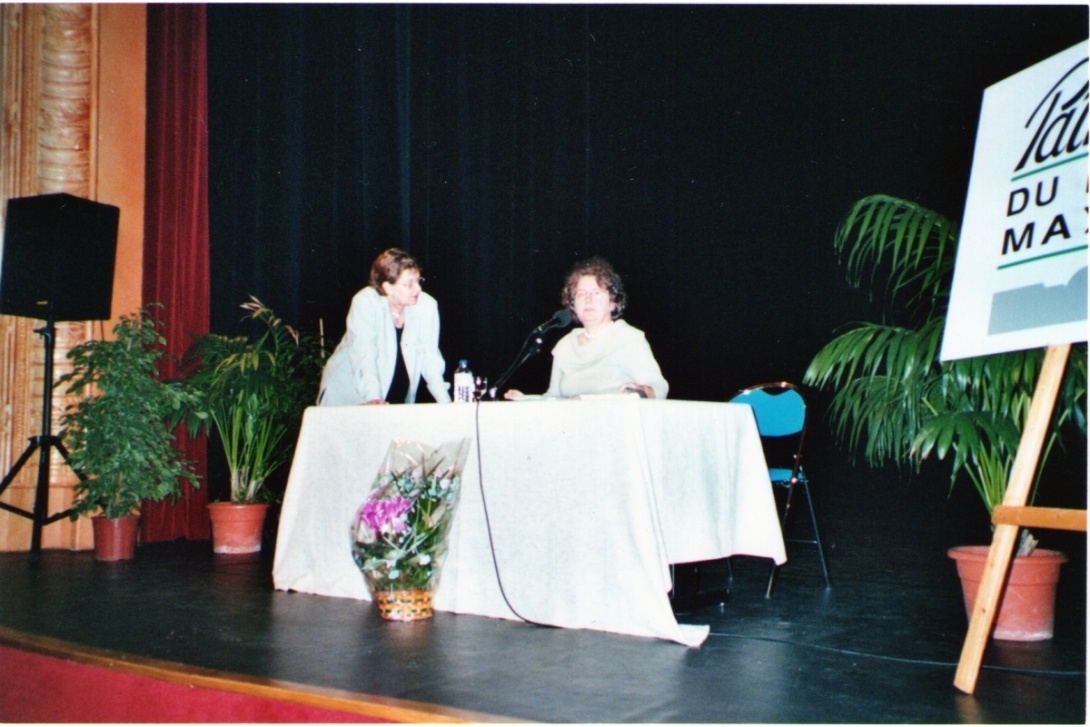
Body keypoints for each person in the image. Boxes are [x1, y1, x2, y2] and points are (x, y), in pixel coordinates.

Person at [506, 256, 668, 400]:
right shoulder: (565, 345)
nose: (588, 300)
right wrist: (527, 400)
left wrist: (644, 391)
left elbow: (658, 386)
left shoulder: (627, 338)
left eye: (596, 293)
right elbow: (554, 399)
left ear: (612, 302)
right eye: (581, 294)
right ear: (573, 304)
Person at [318, 248, 451, 406]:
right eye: (409, 284)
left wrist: (446, 403)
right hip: (350, 394)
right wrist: (374, 398)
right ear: (388, 287)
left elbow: (430, 358)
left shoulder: (427, 305)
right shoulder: (365, 303)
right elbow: (364, 355)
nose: (418, 289)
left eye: (418, 280)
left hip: (393, 397)